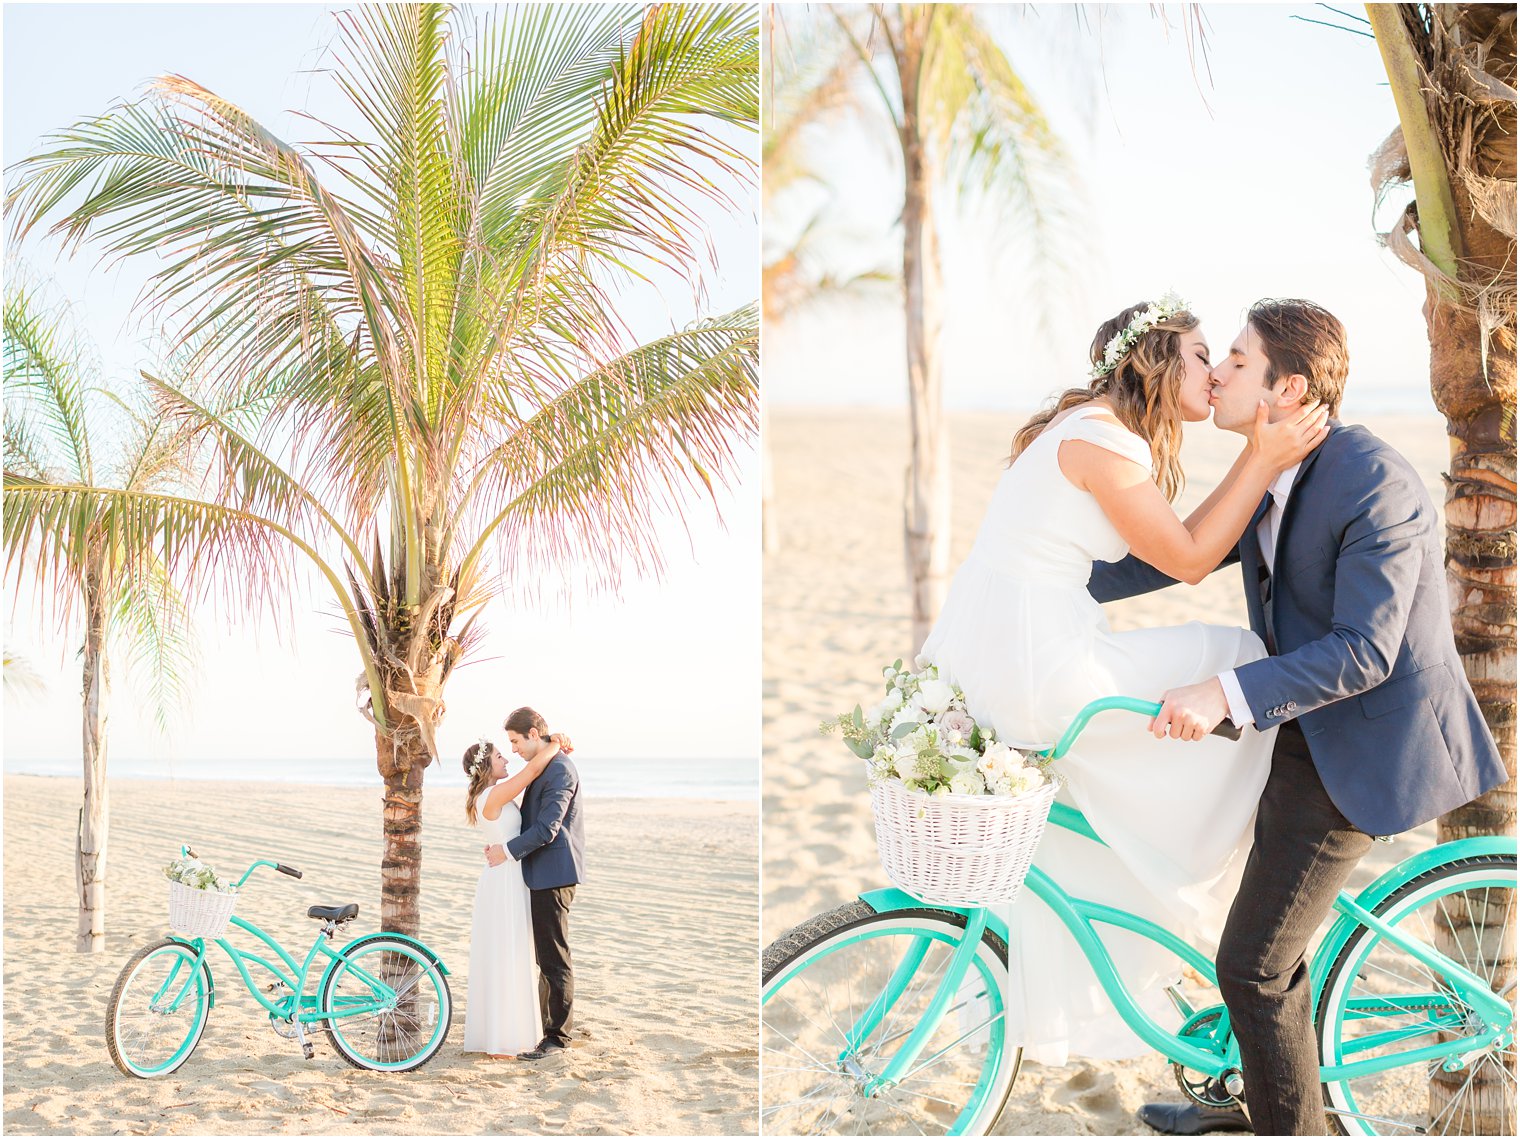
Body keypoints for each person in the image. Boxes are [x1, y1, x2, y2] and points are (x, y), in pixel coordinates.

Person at [1091, 299, 1508, 1136]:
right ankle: (1263, 1091)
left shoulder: (1370, 478)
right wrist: (1059, 577)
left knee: (1250, 965)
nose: (1216, 375)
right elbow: (1181, 552)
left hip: (1366, 742)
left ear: (1286, 388)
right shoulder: (1271, 464)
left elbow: (1365, 651)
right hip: (1302, 724)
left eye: (1235, 362)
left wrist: (1223, 695)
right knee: (1274, 936)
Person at [920, 293, 1329, 1067]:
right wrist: (1262, 459)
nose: (1213, 374)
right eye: (1203, 355)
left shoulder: (1080, 429)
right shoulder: (1108, 442)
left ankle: (1185, 877)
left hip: (1010, 656)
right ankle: (1222, 878)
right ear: (1159, 358)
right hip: (1045, 667)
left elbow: (1180, 544)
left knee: (1106, 813)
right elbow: (1188, 558)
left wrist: (1256, 465)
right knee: (1240, 654)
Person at [485, 706, 585, 1063]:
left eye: (515, 741)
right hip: (539, 872)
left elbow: (547, 828)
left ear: (532, 733)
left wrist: (506, 852)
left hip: (554, 874)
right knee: (545, 956)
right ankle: (549, 1029)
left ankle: (557, 1039)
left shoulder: (560, 769)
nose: (512, 748)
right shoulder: (546, 764)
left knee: (554, 958)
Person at [460, 737, 554, 1058]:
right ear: (486, 765)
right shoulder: (494, 793)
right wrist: (554, 744)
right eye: (501, 756)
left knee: (509, 951)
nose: (506, 759)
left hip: (507, 874)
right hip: (504, 881)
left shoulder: (491, 795)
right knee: (506, 953)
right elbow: (531, 772)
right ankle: (503, 1040)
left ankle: (506, 1034)